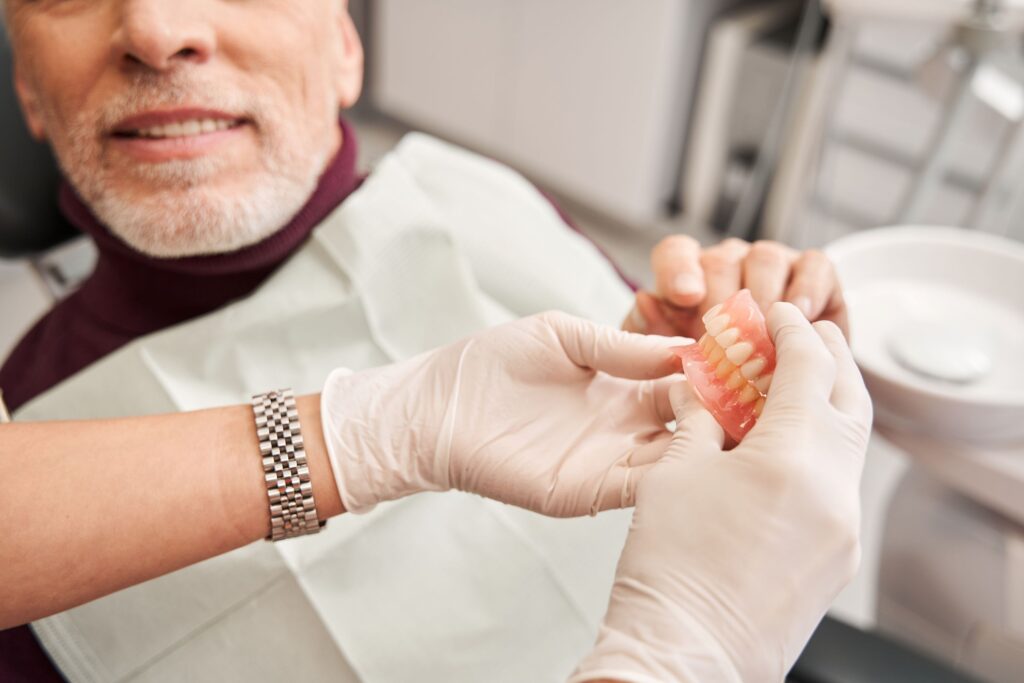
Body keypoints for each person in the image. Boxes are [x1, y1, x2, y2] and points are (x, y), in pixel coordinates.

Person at [0, 0, 861, 681]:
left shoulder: (473, 202)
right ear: (29, 94)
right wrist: (689, 652)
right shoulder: (36, 432)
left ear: (346, 46)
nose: (155, 28)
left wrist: (745, 388)